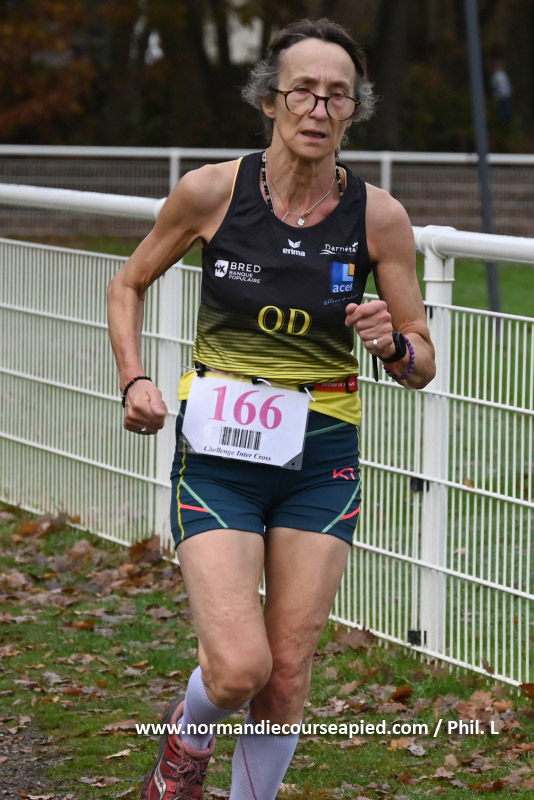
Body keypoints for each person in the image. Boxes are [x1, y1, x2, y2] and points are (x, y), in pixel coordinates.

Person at [107, 17, 436, 800]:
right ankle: (185, 743)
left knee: (285, 678)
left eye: (337, 96)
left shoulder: (379, 218)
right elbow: (128, 282)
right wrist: (133, 379)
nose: (318, 110)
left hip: (321, 461)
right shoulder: (211, 192)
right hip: (220, 456)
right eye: (303, 92)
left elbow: (420, 363)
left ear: (354, 111)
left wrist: (392, 343)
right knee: (238, 669)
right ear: (269, 100)